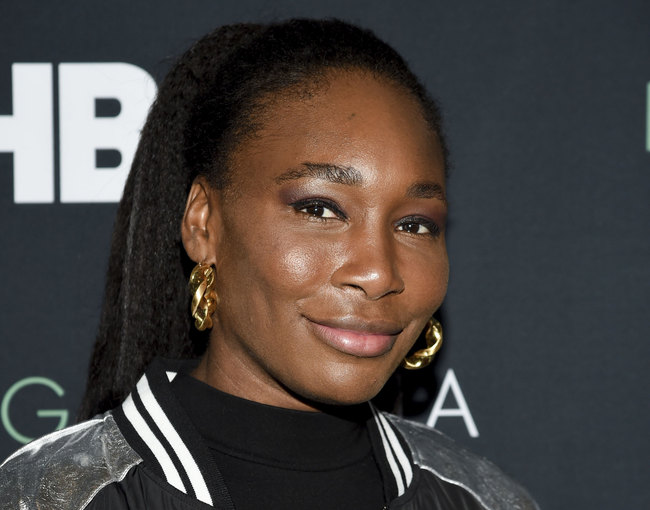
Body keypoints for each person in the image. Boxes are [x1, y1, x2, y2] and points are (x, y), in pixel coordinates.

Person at [0, 19, 538, 510]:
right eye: (320, 209)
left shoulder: (485, 501)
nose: (379, 273)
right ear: (204, 224)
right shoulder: (43, 498)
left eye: (415, 224)